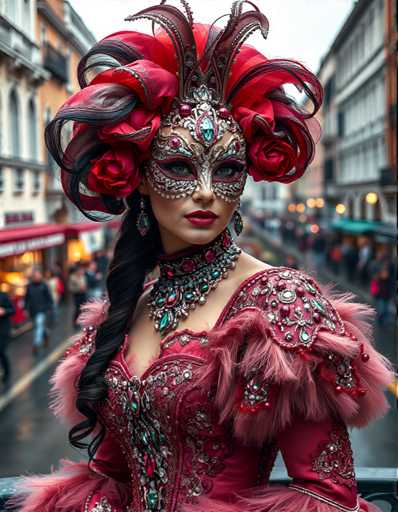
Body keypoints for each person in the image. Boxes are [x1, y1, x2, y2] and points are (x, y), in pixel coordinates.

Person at [10, 4, 394, 512]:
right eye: (179, 166)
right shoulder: (127, 307)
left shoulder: (280, 305)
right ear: (141, 175)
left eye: (229, 168)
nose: (208, 192)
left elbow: (326, 494)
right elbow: (110, 472)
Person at [24, 270, 53, 356]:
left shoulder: (44, 285)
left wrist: (49, 307)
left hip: (42, 310)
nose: (37, 277)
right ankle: (46, 335)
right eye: (35, 276)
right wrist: (25, 309)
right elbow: (26, 298)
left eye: (38, 276)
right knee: (40, 326)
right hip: (33, 311)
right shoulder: (29, 286)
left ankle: (36, 344)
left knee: (39, 326)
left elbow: (49, 297)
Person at [0, 290, 15, 390]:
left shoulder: (3, 296)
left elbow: (12, 310)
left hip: (3, 330)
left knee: (1, 351)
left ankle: (7, 372)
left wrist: (4, 311)